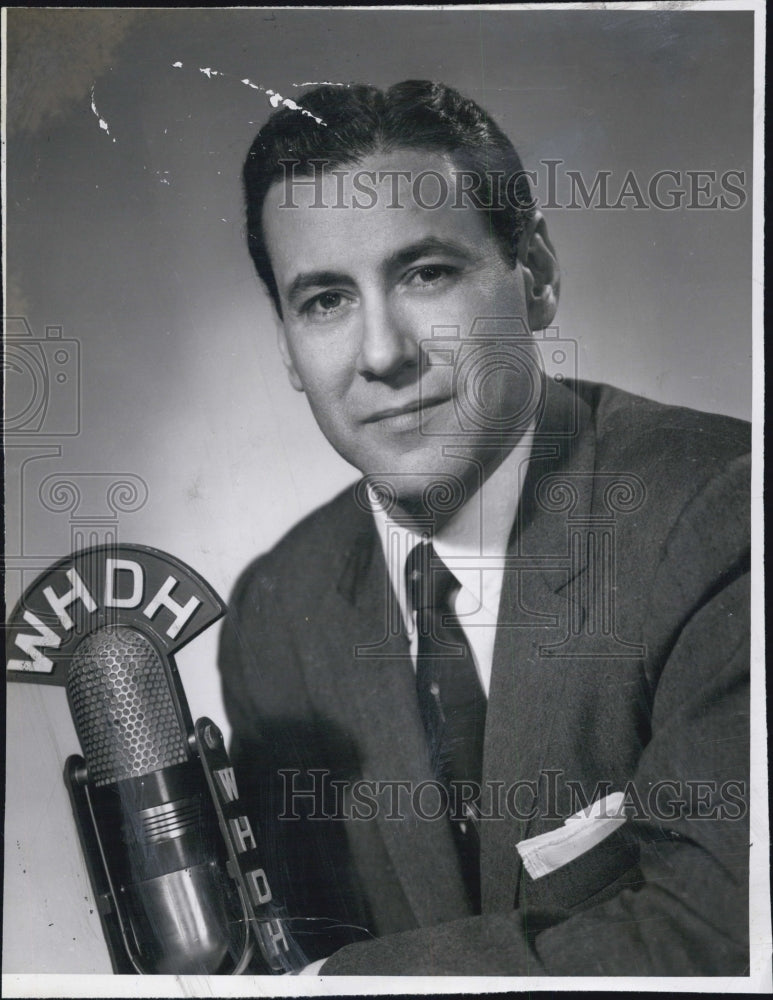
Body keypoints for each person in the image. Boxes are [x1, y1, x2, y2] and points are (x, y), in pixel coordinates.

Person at [219, 81, 750, 976]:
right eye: (324, 302)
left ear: (534, 277)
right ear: (286, 348)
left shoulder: (723, 514)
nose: (382, 354)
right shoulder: (277, 611)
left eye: (424, 274)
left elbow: (723, 935)